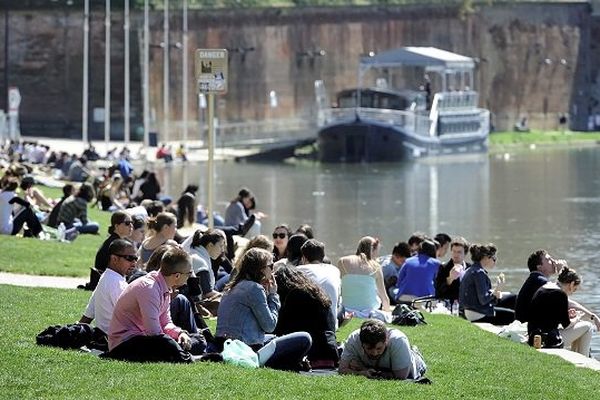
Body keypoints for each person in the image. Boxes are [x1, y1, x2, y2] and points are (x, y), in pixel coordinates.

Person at [216, 248, 312, 371]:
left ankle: (291, 362)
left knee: (273, 338)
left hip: (225, 344)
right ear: (261, 269)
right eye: (271, 266)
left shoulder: (234, 286)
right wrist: (273, 295)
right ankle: (274, 362)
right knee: (304, 338)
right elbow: (269, 325)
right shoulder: (255, 288)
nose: (273, 270)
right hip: (246, 349)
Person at [105, 246, 196, 363]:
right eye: (189, 273)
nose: (190, 277)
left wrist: (180, 333)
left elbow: (166, 323)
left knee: (184, 341)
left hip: (142, 339)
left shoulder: (164, 287)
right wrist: (172, 343)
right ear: (177, 275)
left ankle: (184, 354)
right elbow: (153, 332)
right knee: (166, 343)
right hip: (124, 344)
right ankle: (186, 357)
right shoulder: (149, 288)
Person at [274, 265, 339, 369]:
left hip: (311, 354)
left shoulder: (294, 297)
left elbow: (279, 328)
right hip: (330, 352)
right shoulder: (318, 294)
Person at [528, 267, 594, 355]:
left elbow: (547, 316)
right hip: (548, 340)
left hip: (534, 335)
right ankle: (584, 359)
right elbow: (567, 325)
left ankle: (576, 356)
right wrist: (578, 317)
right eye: (574, 289)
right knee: (588, 326)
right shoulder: (560, 294)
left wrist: (568, 316)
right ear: (571, 284)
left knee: (580, 326)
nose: (572, 293)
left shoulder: (544, 288)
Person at [79, 239, 137, 335]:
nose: (134, 263)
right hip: (117, 341)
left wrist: (76, 332)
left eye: (136, 258)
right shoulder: (117, 284)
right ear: (114, 259)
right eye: (129, 258)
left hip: (104, 339)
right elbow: (134, 320)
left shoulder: (106, 278)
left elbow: (88, 316)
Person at [339, 319, 427, 381]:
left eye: (379, 348)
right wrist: (363, 373)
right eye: (369, 348)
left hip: (415, 364)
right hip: (385, 366)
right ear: (361, 343)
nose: (374, 353)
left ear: (386, 341)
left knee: (415, 361)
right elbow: (342, 369)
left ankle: (413, 352)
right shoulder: (354, 339)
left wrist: (362, 368)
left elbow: (401, 376)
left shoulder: (398, 340)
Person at [458, 243, 515, 325]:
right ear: (486, 258)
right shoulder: (478, 273)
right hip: (478, 314)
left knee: (511, 299)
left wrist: (496, 293)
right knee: (513, 315)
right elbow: (484, 300)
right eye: (494, 258)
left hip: (474, 310)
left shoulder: (473, 269)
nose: (495, 262)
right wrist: (497, 290)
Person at [337, 236, 390, 319]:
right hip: (369, 311)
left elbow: (338, 288)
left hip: (347, 309)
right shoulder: (376, 266)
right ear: (373, 250)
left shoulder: (342, 262)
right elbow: (384, 297)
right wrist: (388, 313)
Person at [297, 239, 342, 329]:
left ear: (304, 258)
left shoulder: (298, 271)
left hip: (306, 330)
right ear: (323, 256)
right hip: (332, 329)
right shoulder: (334, 270)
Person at [515, 250, 561, 323]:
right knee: (585, 326)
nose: (553, 261)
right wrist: (562, 272)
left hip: (531, 325)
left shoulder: (535, 278)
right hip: (530, 329)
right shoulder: (540, 280)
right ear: (539, 267)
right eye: (548, 259)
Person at [435, 237, 470, 304]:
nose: (456, 255)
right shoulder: (443, 267)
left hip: (467, 305)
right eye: (454, 251)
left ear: (465, 253)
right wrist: (450, 279)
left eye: (459, 252)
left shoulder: (470, 268)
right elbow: (438, 292)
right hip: (450, 305)